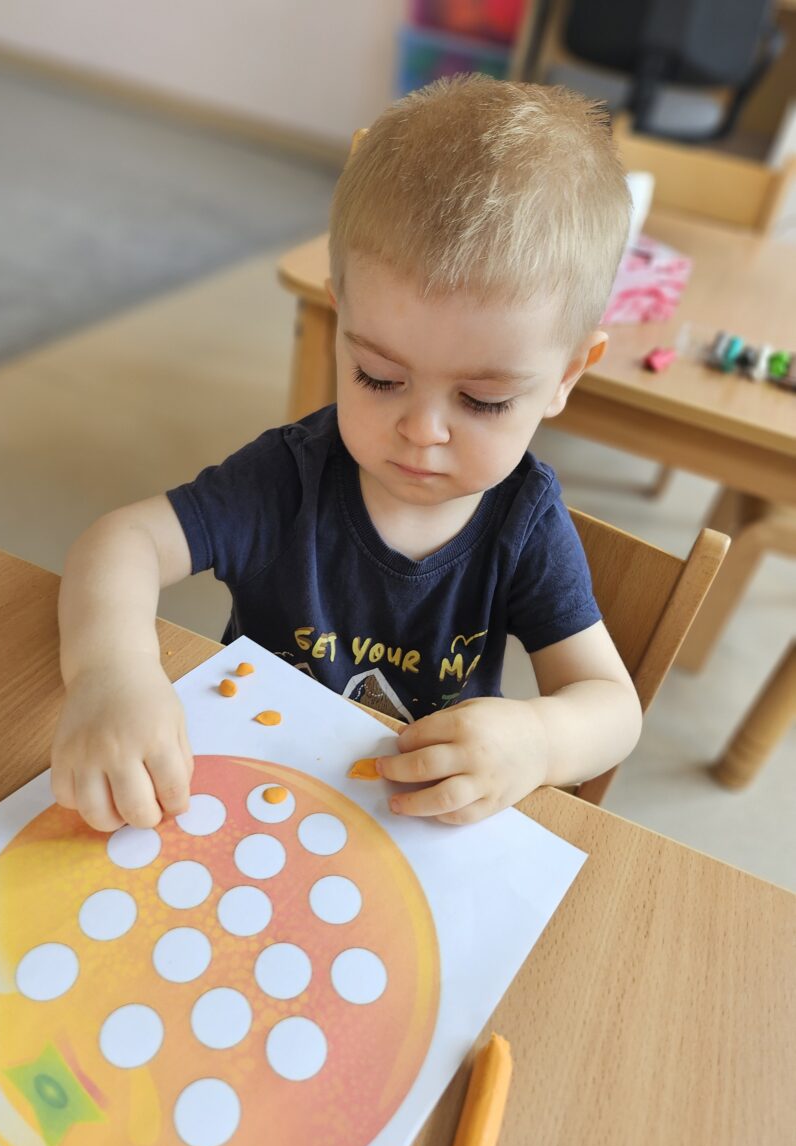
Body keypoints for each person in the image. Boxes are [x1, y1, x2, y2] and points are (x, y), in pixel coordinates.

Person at [51, 75, 642, 833]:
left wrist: (538, 739)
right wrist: (111, 672)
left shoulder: (523, 524)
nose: (422, 430)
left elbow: (612, 707)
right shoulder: (286, 480)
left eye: (483, 400)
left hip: (414, 826)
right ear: (342, 320)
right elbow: (122, 542)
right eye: (379, 377)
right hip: (247, 792)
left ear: (567, 375)